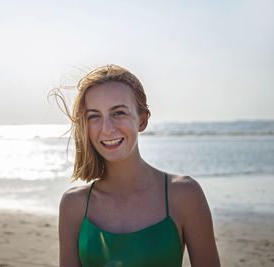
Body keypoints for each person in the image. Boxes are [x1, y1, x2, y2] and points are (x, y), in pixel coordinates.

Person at [55, 65, 220, 267]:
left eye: (118, 113)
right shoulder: (74, 205)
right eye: (94, 116)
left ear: (142, 120)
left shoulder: (185, 195)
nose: (107, 129)